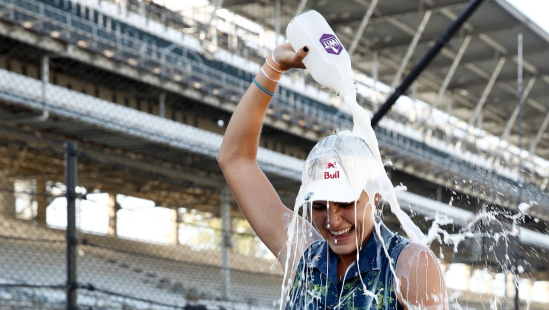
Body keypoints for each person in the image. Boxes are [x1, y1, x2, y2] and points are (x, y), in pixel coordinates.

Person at [217, 42, 448, 309]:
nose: (333, 220)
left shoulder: (409, 265)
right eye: (319, 206)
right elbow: (234, 159)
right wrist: (273, 67)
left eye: (346, 204)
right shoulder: (304, 257)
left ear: (374, 196)